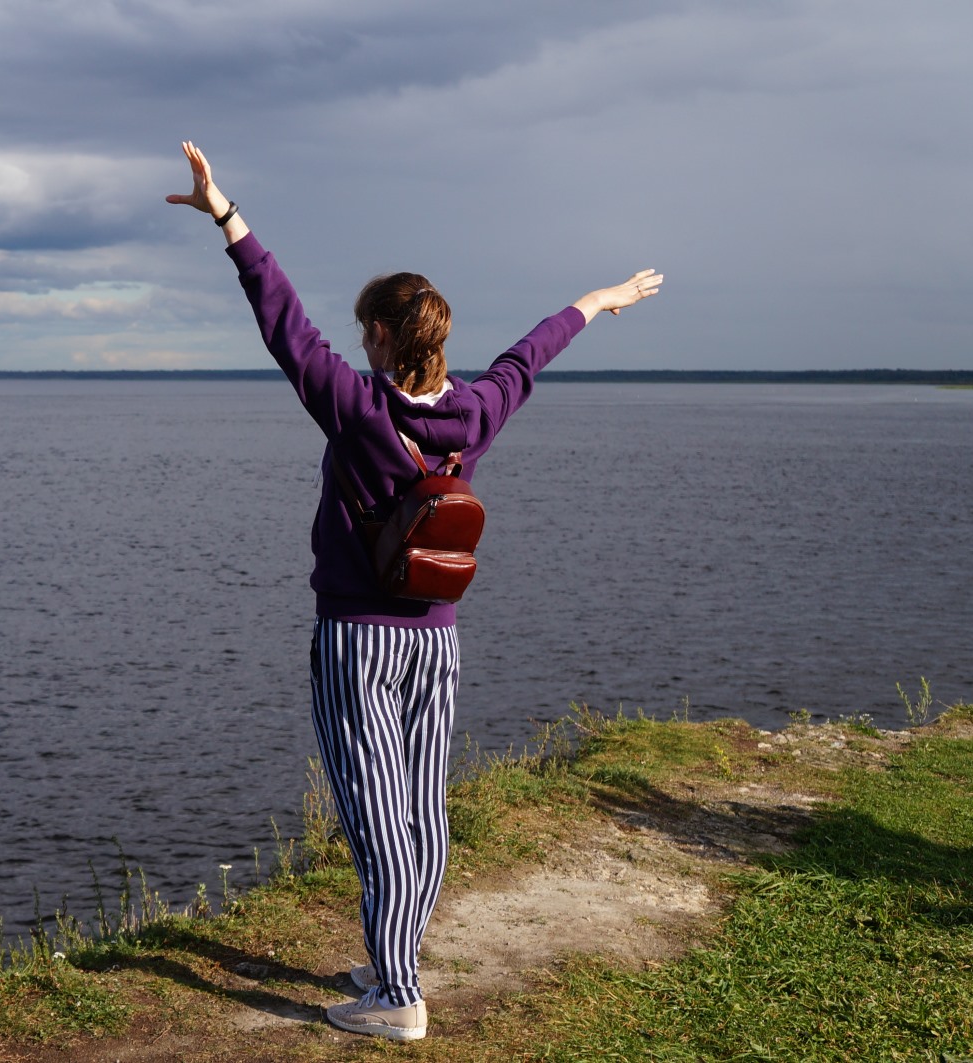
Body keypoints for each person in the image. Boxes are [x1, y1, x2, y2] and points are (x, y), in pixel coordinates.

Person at [167, 140, 661, 1042]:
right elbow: (530, 354)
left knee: (373, 812)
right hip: (438, 636)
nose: (354, 344)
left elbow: (282, 322)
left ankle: (397, 994)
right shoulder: (473, 413)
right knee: (421, 805)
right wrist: (601, 300)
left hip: (359, 637)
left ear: (384, 338)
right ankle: (395, 955)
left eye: (364, 332)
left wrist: (226, 216)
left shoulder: (358, 409)